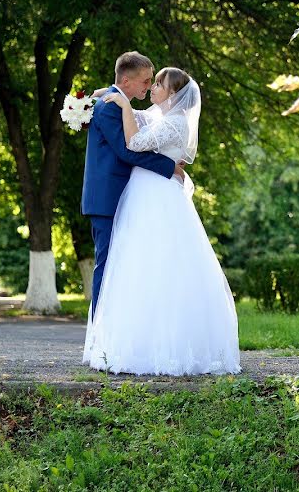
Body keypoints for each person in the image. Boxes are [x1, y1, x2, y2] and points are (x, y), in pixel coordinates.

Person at [82, 66, 241, 376]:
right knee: (136, 267)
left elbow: (135, 143)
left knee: (161, 266)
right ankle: (129, 340)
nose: (152, 87)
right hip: (142, 195)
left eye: (158, 84)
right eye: (151, 82)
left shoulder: (176, 123)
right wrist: (110, 93)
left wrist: (125, 104)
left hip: (157, 197)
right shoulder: (161, 117)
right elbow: (140, 116)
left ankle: (165, 346)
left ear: (174, 94)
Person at [81, 51, 184, 316]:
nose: (149, 86)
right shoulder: (111, 107)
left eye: (152, 82)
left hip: (115, 196)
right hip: (106, 198)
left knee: (119, 265)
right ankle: (98, 335)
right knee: (105, 264)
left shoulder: (113, 102)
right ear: (126, 81)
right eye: (146, 81)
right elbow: (128, 151)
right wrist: (169, 167)